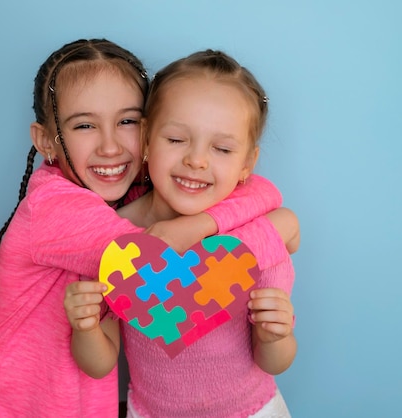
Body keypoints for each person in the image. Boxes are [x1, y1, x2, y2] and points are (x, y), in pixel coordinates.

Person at [0, 39, 287, 418]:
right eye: (85, 125)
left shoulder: (129, 195)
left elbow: (258, 191)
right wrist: (281, 227)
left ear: (146, 131)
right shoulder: (56, 208)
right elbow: (175, 285)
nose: (109, 146)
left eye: (126, 122)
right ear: (45, 141)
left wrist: (203, 223)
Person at [64, 49, 298, 417]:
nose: (197, 160)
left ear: (246, 165)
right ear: (145, 140)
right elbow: (99, 364)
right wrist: (85, 327)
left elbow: (274, 362)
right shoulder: (116, 242)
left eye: (221, 148)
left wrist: (277, 335)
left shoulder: (255, 238)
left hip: (253, 410)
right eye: (176, 140)